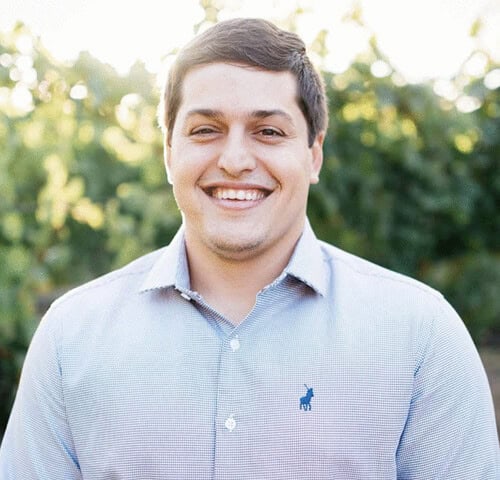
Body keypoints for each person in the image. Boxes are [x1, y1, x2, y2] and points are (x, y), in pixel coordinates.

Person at [0, 17, 498, 480]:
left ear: (313, 154)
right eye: (205, 130)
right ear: (169, 153)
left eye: (268, 131)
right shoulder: (70, 340)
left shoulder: (421, 338)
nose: (236, 159)